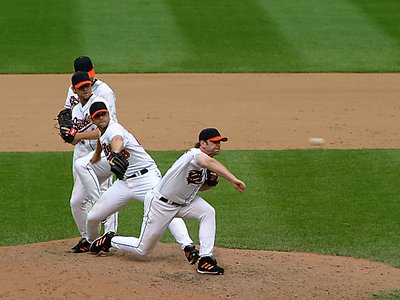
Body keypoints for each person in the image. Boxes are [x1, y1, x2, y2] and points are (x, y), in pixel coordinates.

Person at [90, 127, 246, 275]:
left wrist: (208, 185)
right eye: (215, 142)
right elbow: (208, 162)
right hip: (160, 205)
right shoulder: (194, 154)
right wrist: (233, 179)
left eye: (219, 142)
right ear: (203, 144)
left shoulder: (204, 166)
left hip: (183, 203)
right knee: (143, 249)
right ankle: (110, 240)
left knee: (208, 212)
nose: (218, 145)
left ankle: (205, 259)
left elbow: (192, 187)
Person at [85, 101, 199, 263]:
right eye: (98, 116)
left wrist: (116, 153)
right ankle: (91, 242)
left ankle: (187, 246)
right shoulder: (102, 132)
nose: (102, 117)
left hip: (146, 178)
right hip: (124, 184)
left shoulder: (114, 129)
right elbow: (101, 139)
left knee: (165, 208)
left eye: (104, 114)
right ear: (93, 120)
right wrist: (97, 156)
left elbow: (117, 139)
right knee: (92, 217)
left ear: (109, 114)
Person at [60, 67, 118, 253]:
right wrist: (70, 136)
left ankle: (110, 236)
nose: (85, 89)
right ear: (74, 89)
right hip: (83, 157)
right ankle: (89, 238)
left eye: (87, 85)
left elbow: (103, 130)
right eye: (81, 87)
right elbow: (76, 138)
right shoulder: (76, 109)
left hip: (100, 157)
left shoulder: (98, 103)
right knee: (76, 202)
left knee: (105, 194)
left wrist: (79, 135)